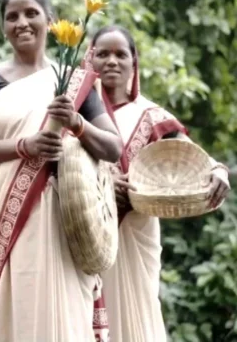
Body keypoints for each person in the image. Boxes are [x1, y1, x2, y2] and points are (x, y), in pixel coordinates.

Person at [0, 0, 124, 341]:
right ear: (3, 27)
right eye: (12, 16)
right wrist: (26, 146)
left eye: (31, 13)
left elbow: (114, 148)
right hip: (11, 219)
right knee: (21, 311)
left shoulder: (76, 82)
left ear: (51, 21)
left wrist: (77, 124)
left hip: (66, 220)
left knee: (65, 318)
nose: (22, 22)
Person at [84, 25, 231, 342]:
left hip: (135, 231)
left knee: (139, 314)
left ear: (133, 63)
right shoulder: (75, 113)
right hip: (85, 231)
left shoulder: (149, 115)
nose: (112, 61)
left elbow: (191, 155)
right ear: (89, 59)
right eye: (103, 54)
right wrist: (102, 180)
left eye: (121, 54)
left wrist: (217, 171)